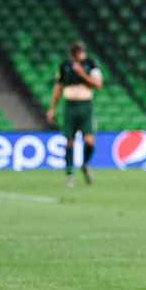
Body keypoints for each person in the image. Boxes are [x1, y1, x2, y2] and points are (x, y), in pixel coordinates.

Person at [45, 41, 103, 188]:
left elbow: (98, 84)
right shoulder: (65, 65)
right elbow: (58, 86)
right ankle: (69, 174)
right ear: (73, 54)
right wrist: (52, 108)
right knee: (69, 141)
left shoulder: (91, 64)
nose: (82, 55)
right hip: (70, 107)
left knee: (89, 141)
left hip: (86, 106)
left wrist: (81, 73)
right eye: (78, 53)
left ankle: (84, 164)